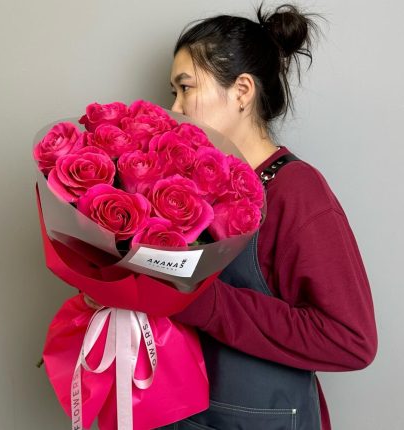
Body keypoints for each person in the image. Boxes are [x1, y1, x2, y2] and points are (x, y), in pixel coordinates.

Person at [159, 3, 378, 430]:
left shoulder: (296, 191)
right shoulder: (192, 188)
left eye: (186, 88)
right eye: (173, 92)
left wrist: (206, 303)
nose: (176, 108)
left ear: (242, 91)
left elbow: (350, 339)